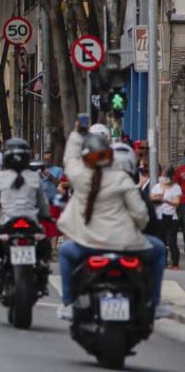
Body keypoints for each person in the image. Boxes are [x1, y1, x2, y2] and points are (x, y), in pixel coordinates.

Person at [55, 131, 170, 320]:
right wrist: (137, 228)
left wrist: (77, 133)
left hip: (88, 245)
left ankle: (68, 303)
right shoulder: (121, 179)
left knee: (65, 252)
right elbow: (141, 214)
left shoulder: (80, 178)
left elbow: (70, 159)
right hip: (126, 245)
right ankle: (154, 302)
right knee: (158, 249)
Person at [0, 138, 51, 295]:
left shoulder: (1, 177)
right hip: (30, 223)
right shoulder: (33, 177)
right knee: (45, 246)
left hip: (7, 224)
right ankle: (42, 273)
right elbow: (43, 202)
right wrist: (46, 216)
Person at [150, 166, 181, 270]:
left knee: (172, 241)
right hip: (159, 216)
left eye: (166, 176)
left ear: (172, 176)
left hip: (172, 217)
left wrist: (166, 200)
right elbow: (151, 198)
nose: (164, 178)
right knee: (160, 241)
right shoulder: (157, 187)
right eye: (163, 175)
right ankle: (163, 262)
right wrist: (157, 197)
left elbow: (177, 202)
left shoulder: (176, 187)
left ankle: (175, 263)